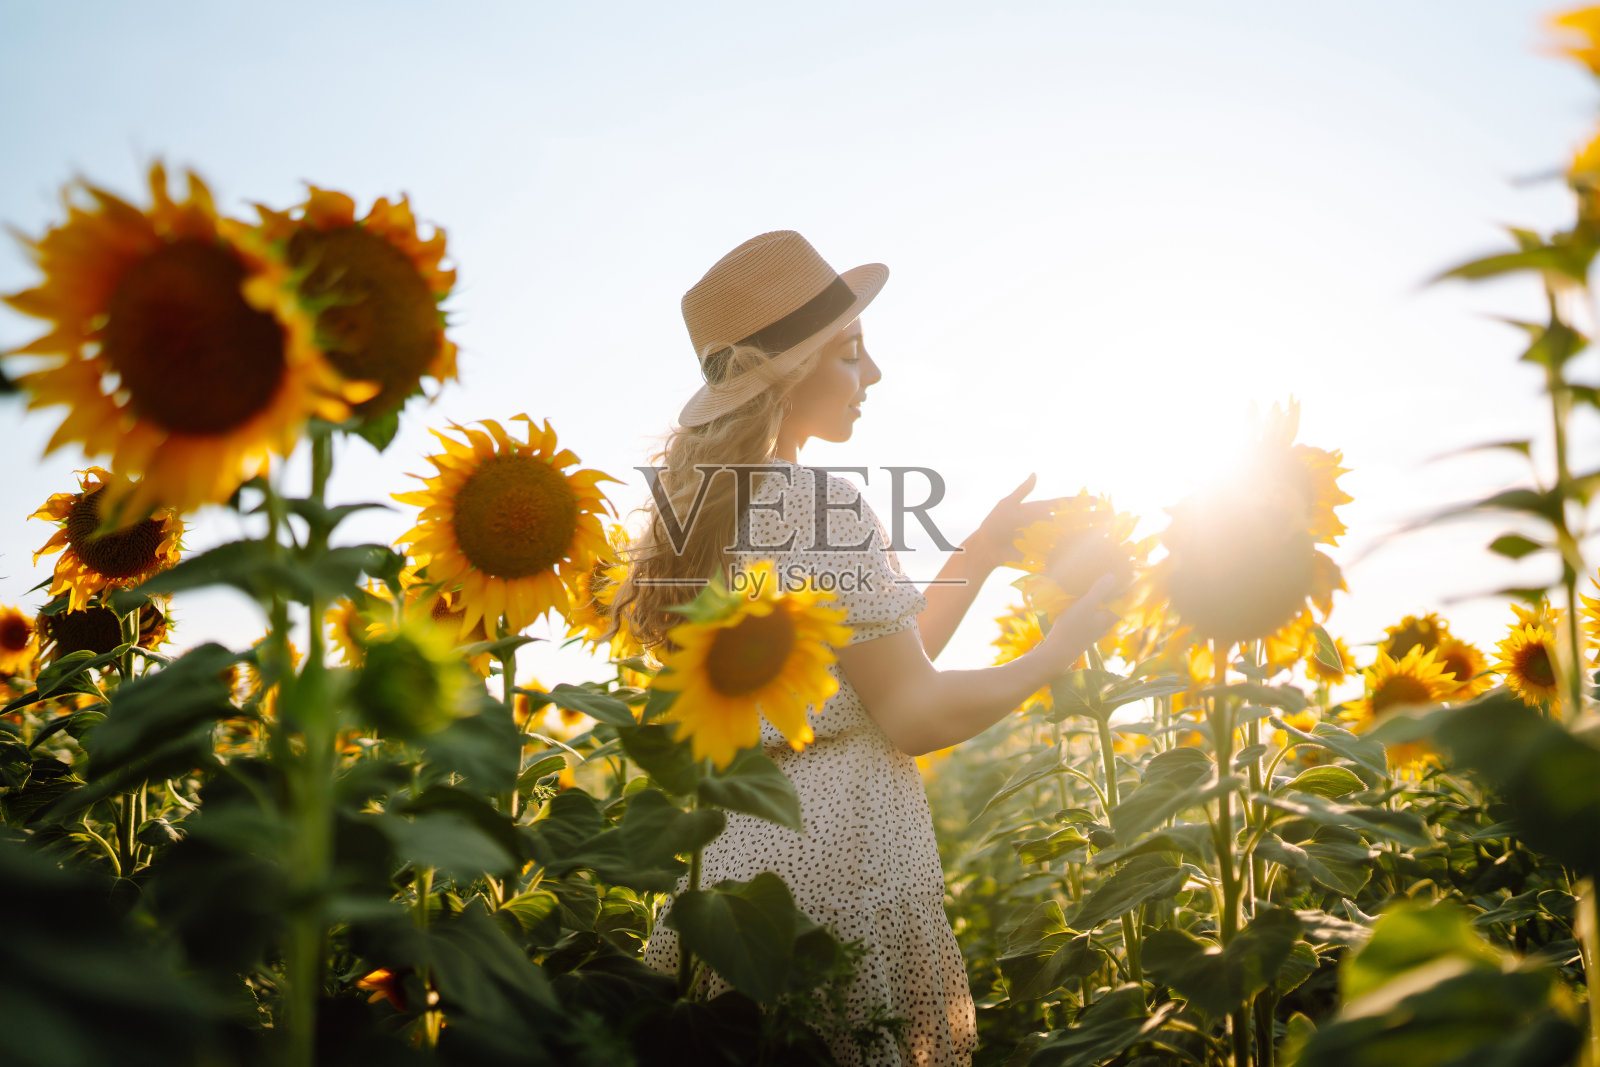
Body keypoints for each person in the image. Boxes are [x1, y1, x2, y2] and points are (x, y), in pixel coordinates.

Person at [609, 230, 1123, 1066]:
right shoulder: (822, 501)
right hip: (844, 876)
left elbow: (880, 669)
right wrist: (1054, 651)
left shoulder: (711, 510)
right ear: (787, 372)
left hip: (740, 884)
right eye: (850, 353)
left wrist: (983, 550)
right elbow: (913, 713)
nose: (873, 374)